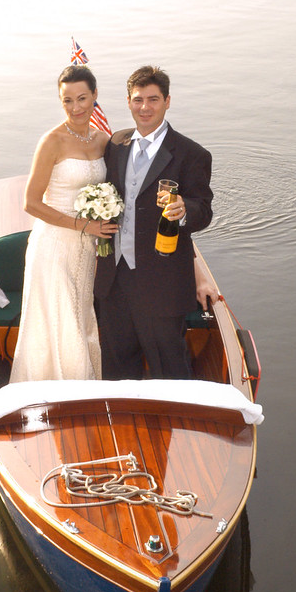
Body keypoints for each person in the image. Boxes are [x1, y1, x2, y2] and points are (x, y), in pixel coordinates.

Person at [94, 65, 214, 380]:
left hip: (162, 279)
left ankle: (176, 424)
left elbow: (204, 210)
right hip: (114, 277)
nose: (145, 107)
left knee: (169, 365)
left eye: (153, 100)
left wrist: (183, 208)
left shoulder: (191, 154)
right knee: (116, 363)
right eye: (138, 100)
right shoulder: (116, 144)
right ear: (129, 102)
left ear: (167, 101)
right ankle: (122, 422)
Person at [10, 65, 118, 382]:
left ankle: (83, 386)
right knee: (60, 317)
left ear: (95, 95)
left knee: (81, 315)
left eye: (82, 98)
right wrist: (83, 226)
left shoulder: (102, 140)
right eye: (67, 100)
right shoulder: (52, 142)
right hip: (54, 244)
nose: (76, 108)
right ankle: (56, 389)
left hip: (88, 246)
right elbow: (31, 202)